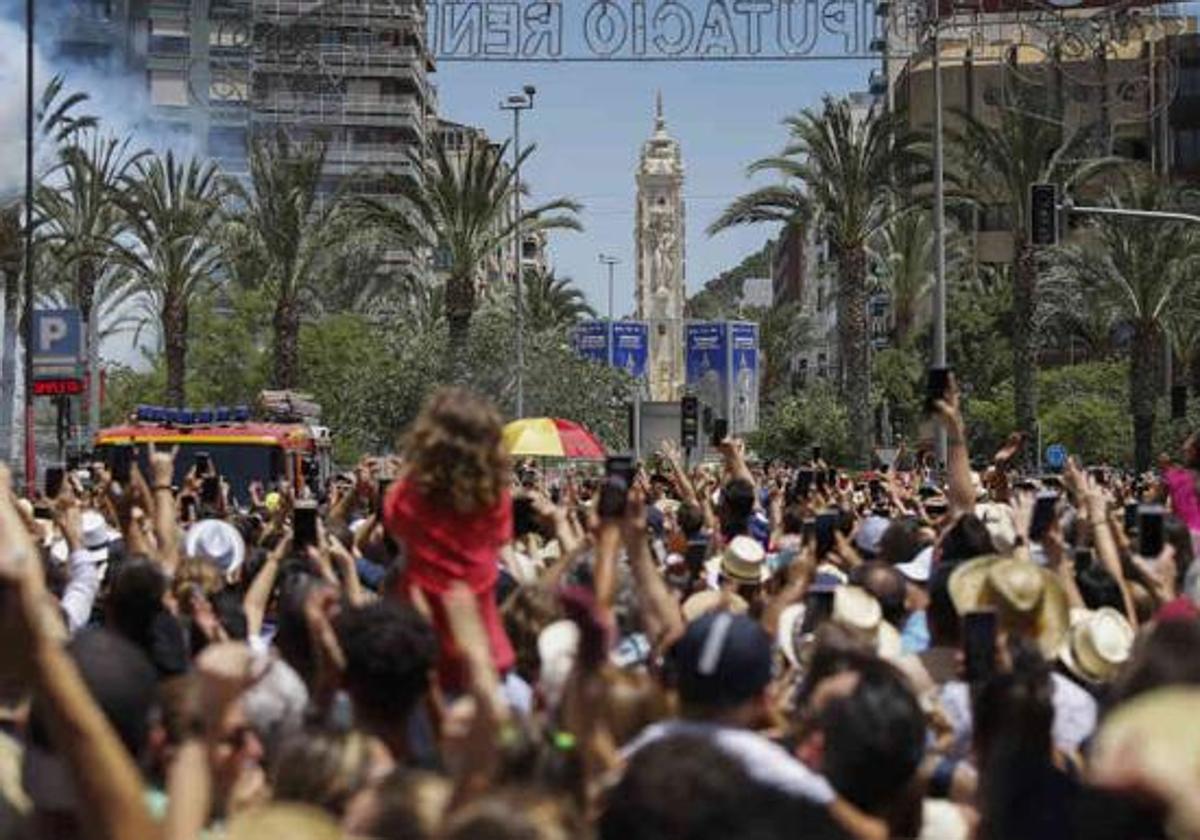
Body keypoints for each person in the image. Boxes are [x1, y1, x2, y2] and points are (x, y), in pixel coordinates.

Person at [382, 388, 516, 691]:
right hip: (486, 656)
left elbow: (394, 531)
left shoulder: (405, 497)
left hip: (424, 661)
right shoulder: (497, 501)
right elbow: (501, 543)